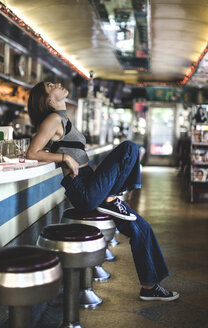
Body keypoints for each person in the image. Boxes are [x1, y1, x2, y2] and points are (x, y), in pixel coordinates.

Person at [27, 82, 179, 302]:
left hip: (90, 184)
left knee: (141, 227)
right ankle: (111, 198)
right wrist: (65, 157)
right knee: (130, 148)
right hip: (84, 190)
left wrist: (73, 152)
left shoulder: (63, 118)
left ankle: (149, 286)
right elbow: (33, 152)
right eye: (51, 85)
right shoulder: (53, 119)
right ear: (49, 100)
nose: (58, 84)